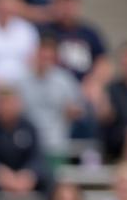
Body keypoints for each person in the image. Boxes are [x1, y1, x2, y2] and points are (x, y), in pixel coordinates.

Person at [19, 34, 82, 167]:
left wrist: (73, 111)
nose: (45, 61)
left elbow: (78, 109)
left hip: (56, 142)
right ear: (35, 55)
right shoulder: (21, 81)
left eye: (49, 58)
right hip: (27, 143)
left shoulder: (65, 81)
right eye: (42, 56)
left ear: (55, 59)